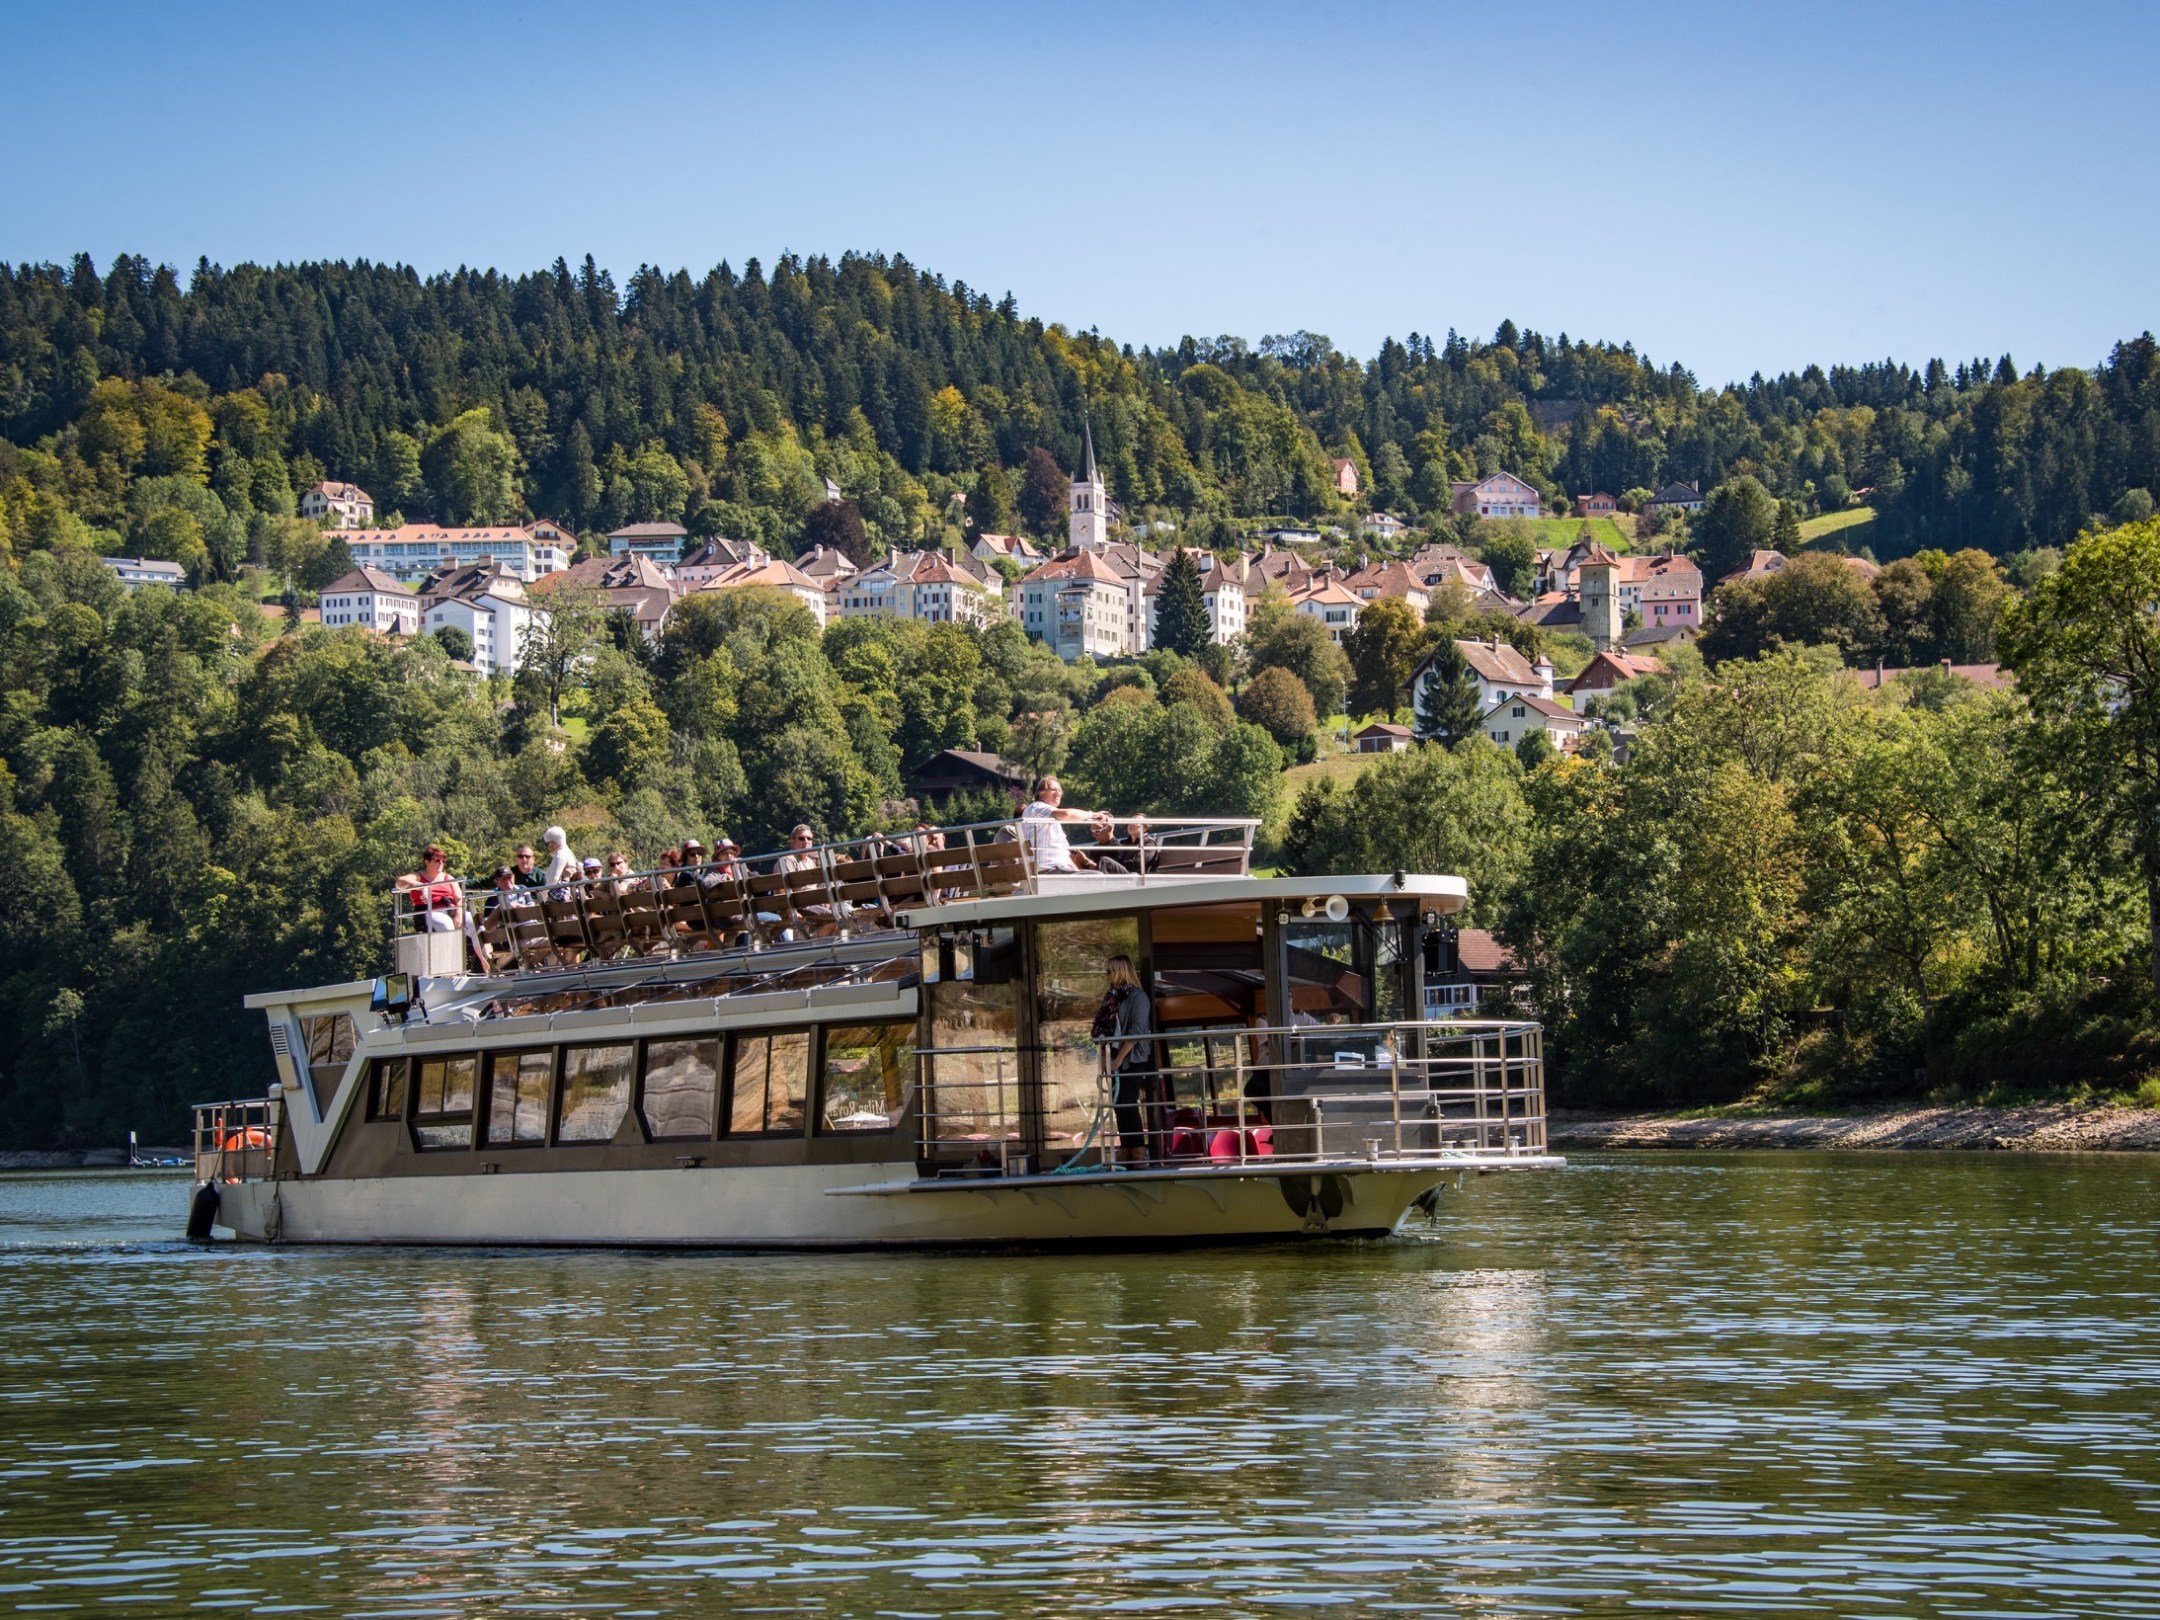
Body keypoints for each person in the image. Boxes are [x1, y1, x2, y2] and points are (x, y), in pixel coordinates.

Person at [1095, 954, 1156, 1166]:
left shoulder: (1138, 997)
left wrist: (1118, 1060)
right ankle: (1127, 1150)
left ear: (1119, 971)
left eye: (1109, 971)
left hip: (1132, 1059)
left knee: (1127, 1103)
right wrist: (1106, 1059)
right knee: (1118, 1105)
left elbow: (1137, 1030)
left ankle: (1138, 1153)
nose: (1107, 976)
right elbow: (1103, 1029)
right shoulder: (1112, 997)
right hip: (1114, 1059)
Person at [1019, 777, 1127, 874]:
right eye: (1053, 789)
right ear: (1041, 793)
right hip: (1048, 870)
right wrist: (1093, 814)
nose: (1058, 793)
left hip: (1053, 870)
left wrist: (1077, 873)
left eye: (1060, 791)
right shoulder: (1036, 807)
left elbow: (1067, 857)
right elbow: (1067, 814)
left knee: (1094, 876)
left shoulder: (1050, 821)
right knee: (1098, 877)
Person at [395, 845, 463, 932]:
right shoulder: (418, 876)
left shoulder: (448, 877)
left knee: (474, 923)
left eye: (443, 860)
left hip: (450, 910)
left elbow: (459, 898)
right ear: (427, 862)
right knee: (446, 924)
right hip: (428, 913)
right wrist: (422, 886)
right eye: (437, 860)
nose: (441, 863)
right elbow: (399, 882)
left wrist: (459, 916)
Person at [542, 825, 579, 892]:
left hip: (561, 898)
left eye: (547, 844)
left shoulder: (560, 855)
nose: (547, 847)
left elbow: (553, 880)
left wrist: (541, 899)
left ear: (553, 842)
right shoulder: (567, 852)